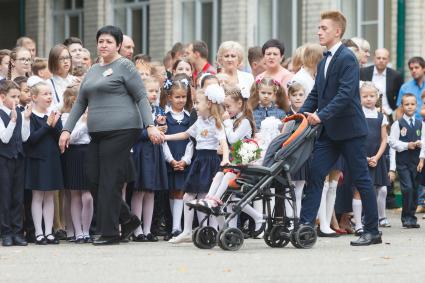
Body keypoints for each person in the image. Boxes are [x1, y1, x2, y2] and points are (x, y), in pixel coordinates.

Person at [59, 25, 163, 246]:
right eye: (100, 41)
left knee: (108, 180)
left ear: (117, 45)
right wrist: (66, 130)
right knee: (93, 178)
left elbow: (142, 97)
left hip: (123, 129)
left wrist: (151, 125)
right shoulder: (94, 70)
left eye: (108, 41)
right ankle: (127, 220)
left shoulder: (125, 66)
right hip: (97, 132)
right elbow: (80, 102)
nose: (103, 45)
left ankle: (109, 232)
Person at [298, 10, 381, 246]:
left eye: (323, 28)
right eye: (319, 28)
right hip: (329, 132)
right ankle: (305, 227)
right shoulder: (324, 60)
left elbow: (346, 94)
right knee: (316, 174)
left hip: (351, 131)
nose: (318, 31)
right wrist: (300, 114)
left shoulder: (347, 58)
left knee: (361, 179)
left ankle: (373, 231)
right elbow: (317, 93)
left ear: (337, 31)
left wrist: (320, 116)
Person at [189, 86, 265, 234]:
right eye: (224, 106)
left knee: (228, 176)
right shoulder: (234, 120)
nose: (226, 110)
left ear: (240, 104)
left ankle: (216, 200)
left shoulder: (245, 122)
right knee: (219, 177)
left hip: (245, 162)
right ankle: (212, 200)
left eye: (228, 106)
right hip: (236, 161)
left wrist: (227, 123)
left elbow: (233, 138)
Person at [165, 85, 229, 244]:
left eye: (197, 102)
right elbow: (185, 134)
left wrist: (225, 159)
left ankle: (222, 229)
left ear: (208, 104)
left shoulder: (216, 122)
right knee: (188, 195)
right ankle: (187, 230)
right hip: (199, 161)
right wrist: (165, 137)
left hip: (211, 161)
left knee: (210, 199)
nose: (194, 106)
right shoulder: (199, 121)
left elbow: (224, 143)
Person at [130, 76, 168, 242]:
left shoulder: (159, 110)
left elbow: (162, 130)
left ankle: (147, 229)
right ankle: (137, 228)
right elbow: (135, 132)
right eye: (150, 91)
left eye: (156, 91)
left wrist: (163, 128)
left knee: (151, 192)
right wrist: (152, 131)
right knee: (139, 191)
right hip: (141, 151)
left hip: (154, 152)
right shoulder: (137, 109)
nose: (154, 94)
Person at [25, 81, 63, 245]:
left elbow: (57, 138)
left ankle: (49, 231)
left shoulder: (53, 115)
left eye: (50, 94)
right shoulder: (31, 116)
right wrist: (47, 126)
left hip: (52, 159)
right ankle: (38, 232)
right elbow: (31, 139)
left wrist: (54, 126)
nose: (49, 97)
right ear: (34, 97)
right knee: (38, 195)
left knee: (50, 195)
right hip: (37, 160)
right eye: (45, 94)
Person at [60, 85, 94, 244]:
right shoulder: (66, 117)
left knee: (87, 196)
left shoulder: (90, 115)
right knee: (74, 194)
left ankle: (86, 230)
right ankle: (78, 232)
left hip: (89, 153)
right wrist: (84, 123)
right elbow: (70, 138)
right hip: (73, 153)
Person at [161, 77, 194, 241]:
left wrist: (185, 160)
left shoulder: (189, 118)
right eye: (177, 97)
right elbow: (163, 140)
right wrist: (171, 160)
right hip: (170, 161)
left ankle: (177, 228)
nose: (181, 100)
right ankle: (172, 226)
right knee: (172, 193)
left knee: (181, 192)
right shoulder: (164, 118)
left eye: (184, 97)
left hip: (184, 162)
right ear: (169, 97)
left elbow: (191, 142)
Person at [0, 80, 31, 246]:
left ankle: (18, 232)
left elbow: (24, 137)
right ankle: (6, 232)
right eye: (13, 96)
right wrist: (12, 121)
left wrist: (25, 120)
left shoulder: (19, 113)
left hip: (18, 157)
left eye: (18, 96)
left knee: (18, 197)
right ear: (2, 97)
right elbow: (4, 138)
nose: (17, 100)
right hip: (4, 158)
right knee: (5, 197)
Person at [359, 81, 391, 228]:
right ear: (360, 97)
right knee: (365, 189)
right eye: (365, 96)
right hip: (361, 156)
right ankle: (363, 218)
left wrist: (376, 157)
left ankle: (379, 216)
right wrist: (364, 157)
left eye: (372, 96)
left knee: (381, 188)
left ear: (377, 96)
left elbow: (384, 139)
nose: (369, 99)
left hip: (377, 157)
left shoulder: (381, 116)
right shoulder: (358, 114)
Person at [390, 93, 422, 228]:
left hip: (416, 163)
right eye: (406, 104)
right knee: (407, 188)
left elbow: (424, 143)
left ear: (416, 105)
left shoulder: (421, 124)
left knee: (415, 189)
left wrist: (422, 159)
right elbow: (392, 142)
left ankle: (412, 217)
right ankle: (406, 217)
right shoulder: (397, 124)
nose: (410, 107)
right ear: (402, 107)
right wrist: (406, 145)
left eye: (412, 104)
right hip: (403, 163)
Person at [360, 48, 404, 120]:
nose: (381, 60)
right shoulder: (363, 72)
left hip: (389, 115)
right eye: (378, 58)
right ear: (374, 58)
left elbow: (400, 96)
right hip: (366, 114)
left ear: (388, 60)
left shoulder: (396, 76)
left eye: (384, 58)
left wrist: (392, 111)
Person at [256, 38, 293, 111]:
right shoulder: (259, 77)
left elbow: (287, 102)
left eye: (275, 54)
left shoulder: (288, 76)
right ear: (264, 56)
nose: (271, 57)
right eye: (268, 54)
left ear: (281, 57)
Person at [46, 44, 79, 109]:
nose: (66, 61)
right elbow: (47, 110)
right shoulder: (48, 84)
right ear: (53, 61)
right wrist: (67, 101)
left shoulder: (76, 81)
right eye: (61, 58)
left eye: (67, 57)